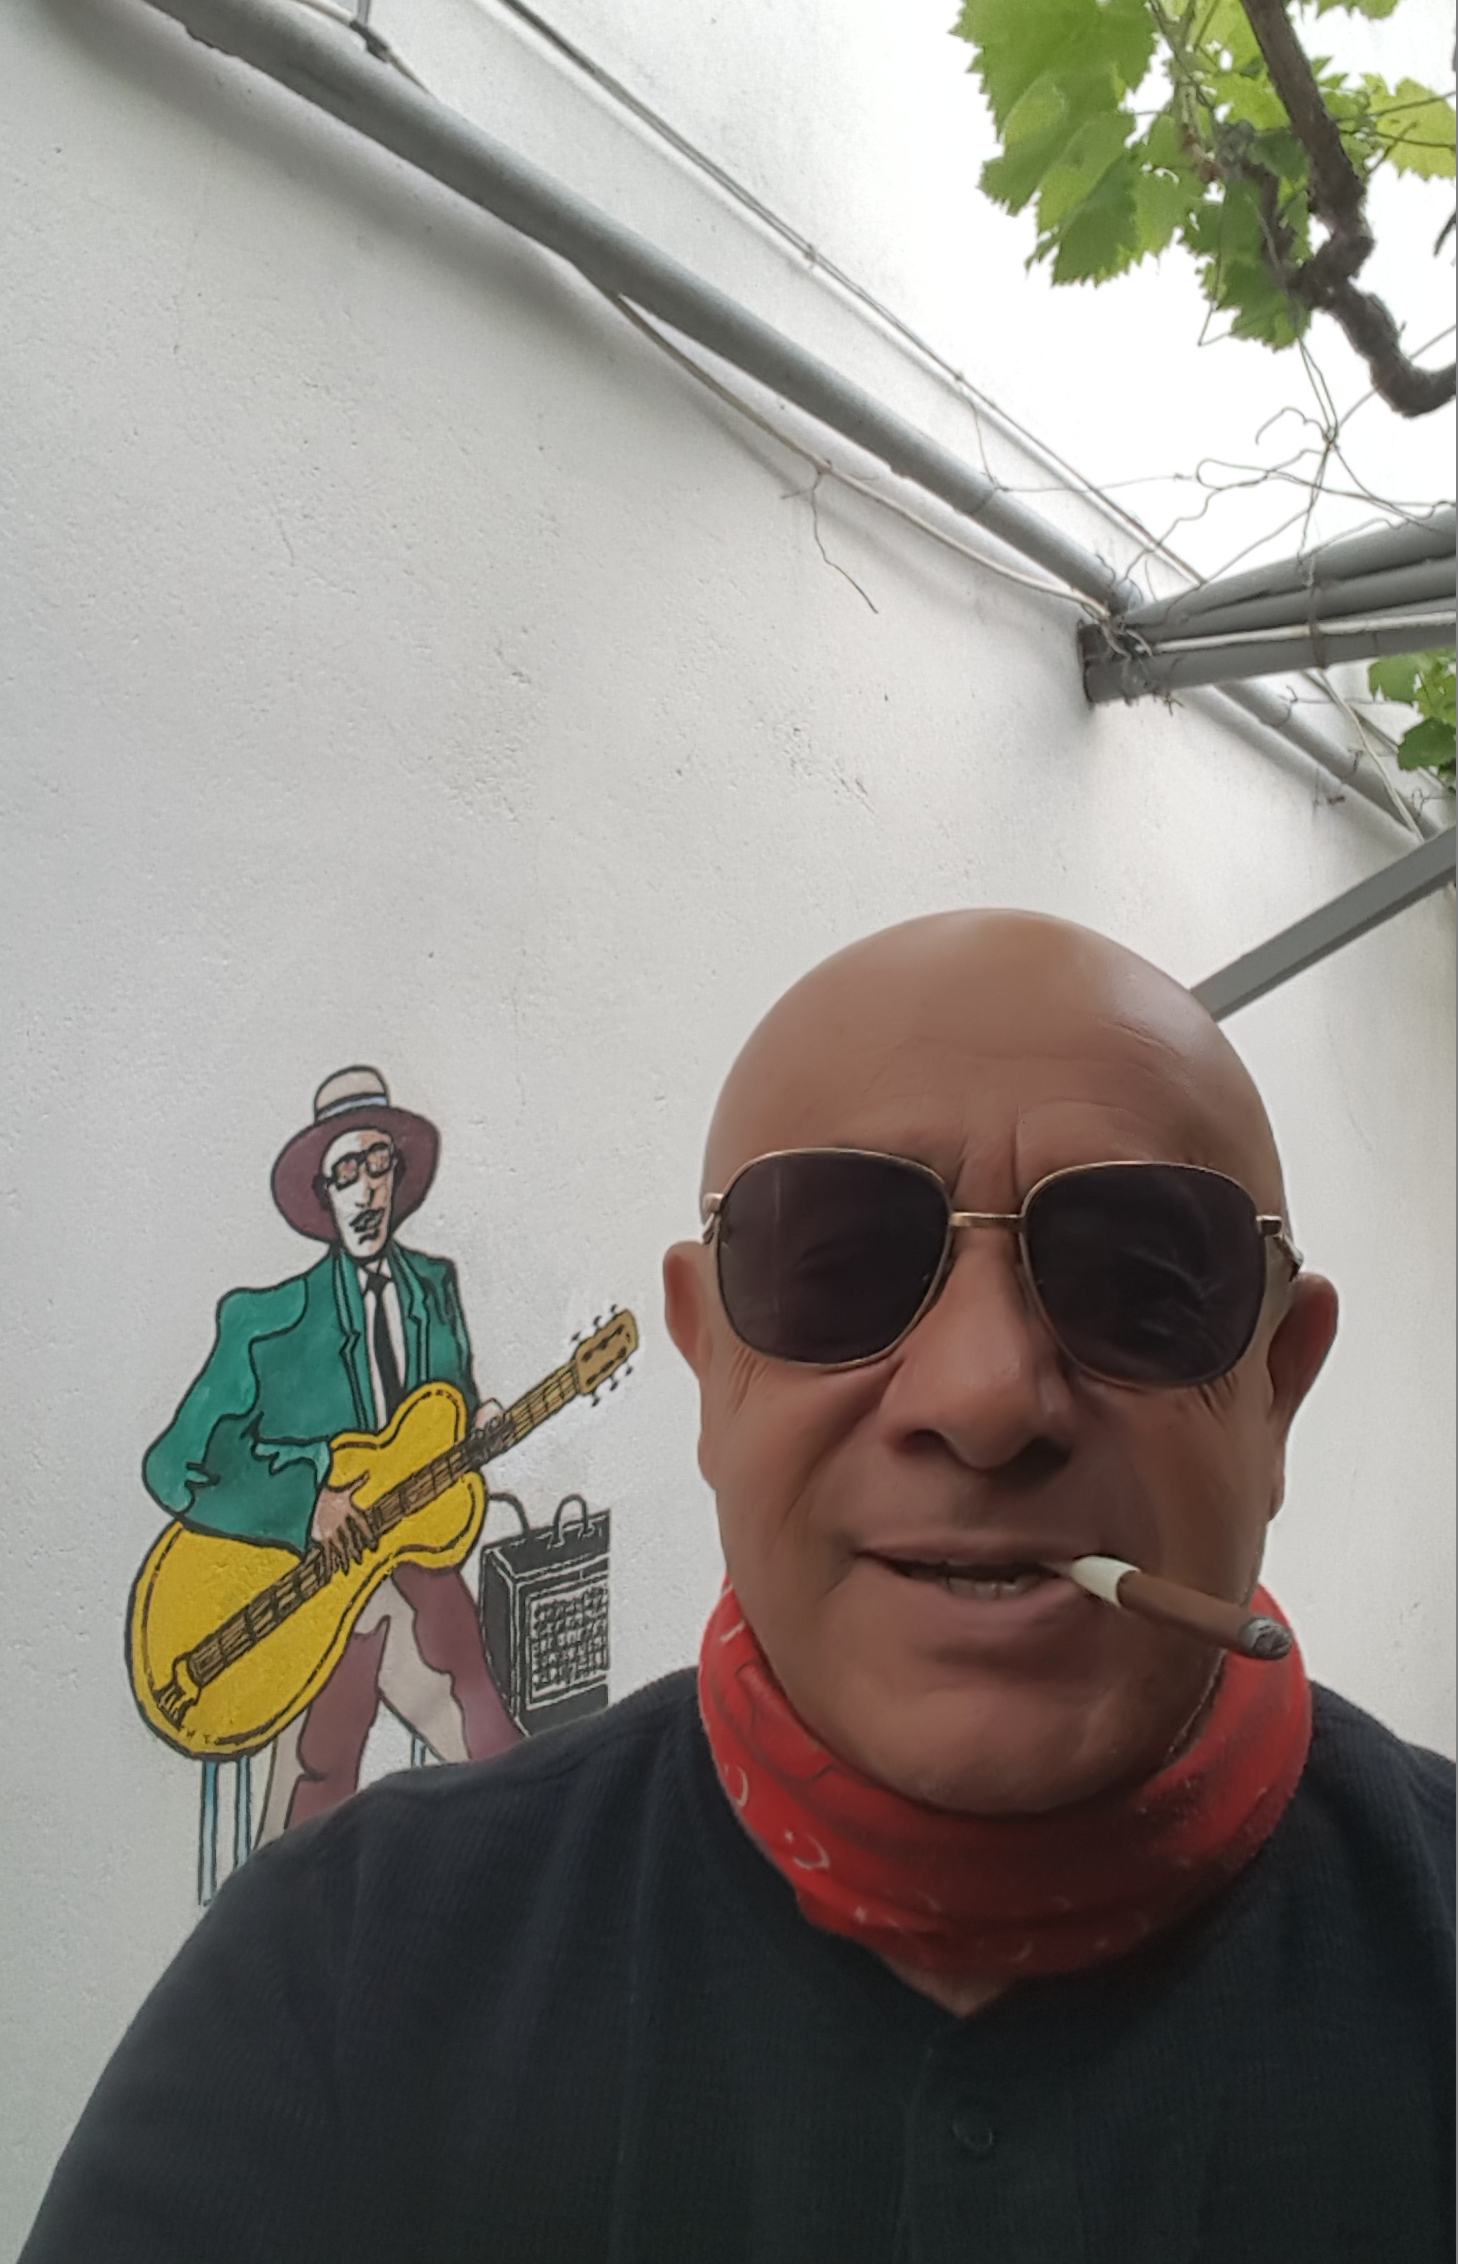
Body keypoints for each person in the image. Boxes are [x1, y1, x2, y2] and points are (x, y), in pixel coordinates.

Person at [24, 917, 1453, 2261]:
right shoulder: (338, 1977)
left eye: (1141, 1285)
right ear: (707, 1367)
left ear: (1279, 1389)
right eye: (834, 1268)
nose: (982, 1397)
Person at [141, 1065, 518, 1836]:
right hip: (307, 1588)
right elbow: (171, 1466)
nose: (366, 1190)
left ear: (398, 1175)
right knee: (319, 1769)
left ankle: (530, 1850)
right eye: (346, 1172)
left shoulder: (434, 1290)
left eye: (378, 1164)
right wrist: (306, 1503)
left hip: (411, 1561)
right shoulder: (267, 1323)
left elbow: (438, 1421)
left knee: (490, 1737)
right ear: (323, 1193)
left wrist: (477, 1428)